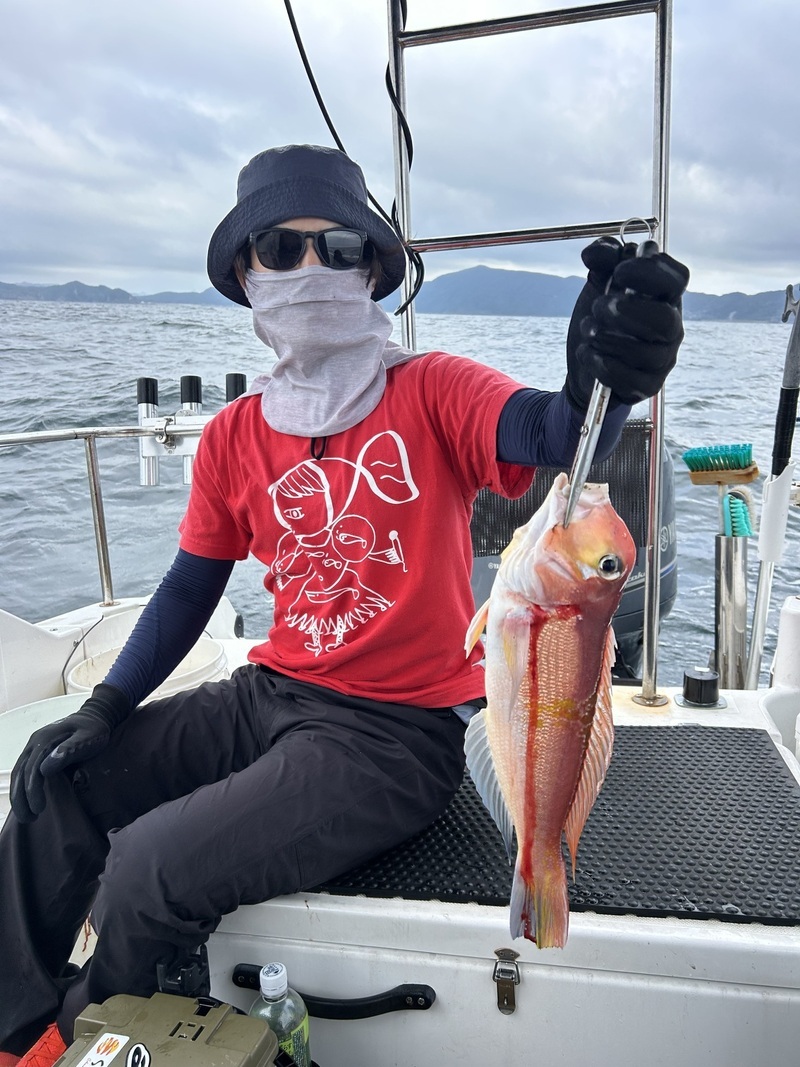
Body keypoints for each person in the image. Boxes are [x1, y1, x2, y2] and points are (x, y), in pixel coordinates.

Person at [0, 143, 689, 1063]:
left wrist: (602, 381)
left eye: (338, 246)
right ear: (245, 273)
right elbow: (190, 587)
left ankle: (74, 1039)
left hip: (394, 734)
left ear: (372, 269)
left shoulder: (432, 389)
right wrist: (105, 705)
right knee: (57, 783)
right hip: (270, 692)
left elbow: (554, 432)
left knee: (145, 871)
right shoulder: (235, 433)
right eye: (280, 248)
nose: (310, 266)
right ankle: (8, 1020)